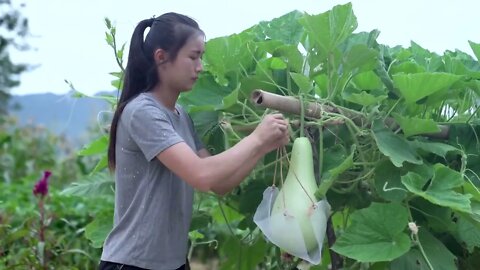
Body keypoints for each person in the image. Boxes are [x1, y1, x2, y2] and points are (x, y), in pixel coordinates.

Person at [99, 12, 289, 270]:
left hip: (174, 263)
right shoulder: (142, 112)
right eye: (193, 56)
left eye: (201, 57)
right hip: (133, 263)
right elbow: (200, 175)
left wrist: (263, 146)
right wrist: (257, 138)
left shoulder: (181, 116)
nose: (199, 66)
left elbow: (219, 184)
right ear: (161, 57)